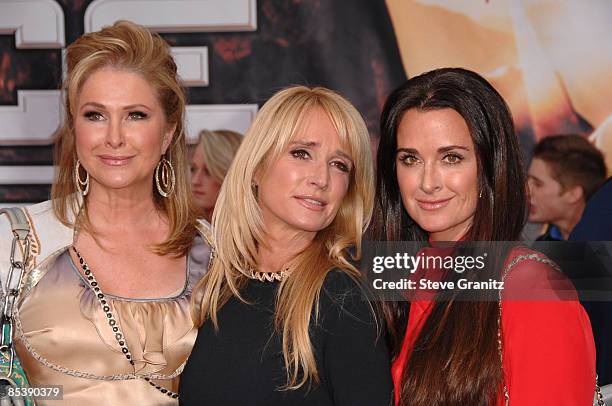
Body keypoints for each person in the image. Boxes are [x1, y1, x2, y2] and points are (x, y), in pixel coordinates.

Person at [0, 21, 213, 405]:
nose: (114, 137)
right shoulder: (16, 243)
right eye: (95, 115)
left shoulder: (215, 252)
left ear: (168, 132)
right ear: (73, 127)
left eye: (136, 115)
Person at [369, 68, 596, 405]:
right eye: (410, 159)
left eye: (451, 158)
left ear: (490, 166)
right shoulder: (402, 277)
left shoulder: (531, 288)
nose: (427, 182)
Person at [179, 86, 393, 405]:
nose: (321, 178)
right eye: (301, 153)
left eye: (339, 165)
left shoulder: (342, 297)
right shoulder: (220, 285)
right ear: (256, 166)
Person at [527, 134, 607, 240]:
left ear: (573, 194)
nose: (526, 191)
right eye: (528, 179)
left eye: (538, 184)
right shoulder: (539, 250)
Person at [189, 129, 242, 222]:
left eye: (208, 171)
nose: (195, 181)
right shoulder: (181, 231)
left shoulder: (251, 234)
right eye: (193, 169)